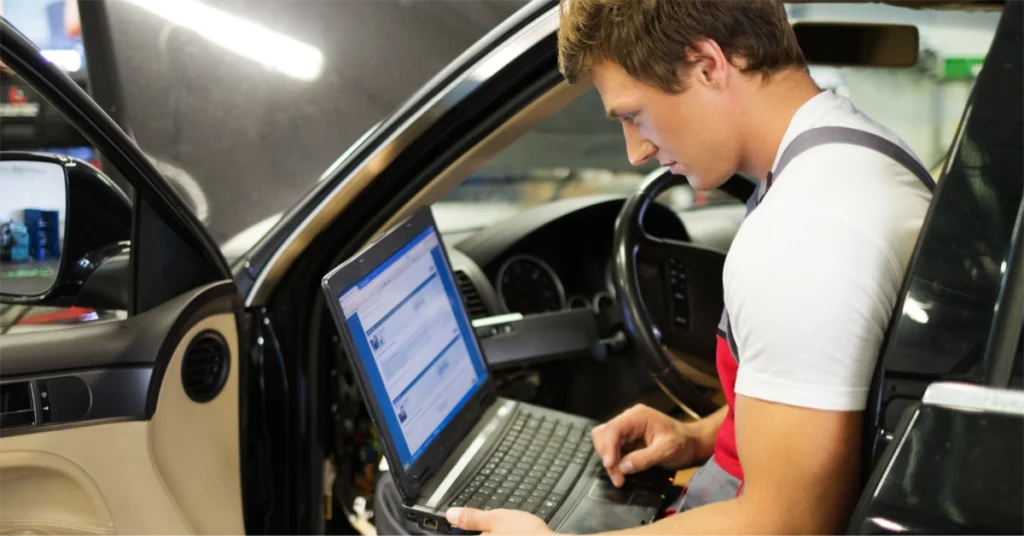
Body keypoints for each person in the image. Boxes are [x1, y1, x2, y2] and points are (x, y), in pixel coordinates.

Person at [444, 0, 933, 534]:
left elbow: (787, 523)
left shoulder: (801, 233)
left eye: (632, 115)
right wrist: (698, 436)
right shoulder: (855, 152)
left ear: (707, 66)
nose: (635, 151)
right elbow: (826, 399)